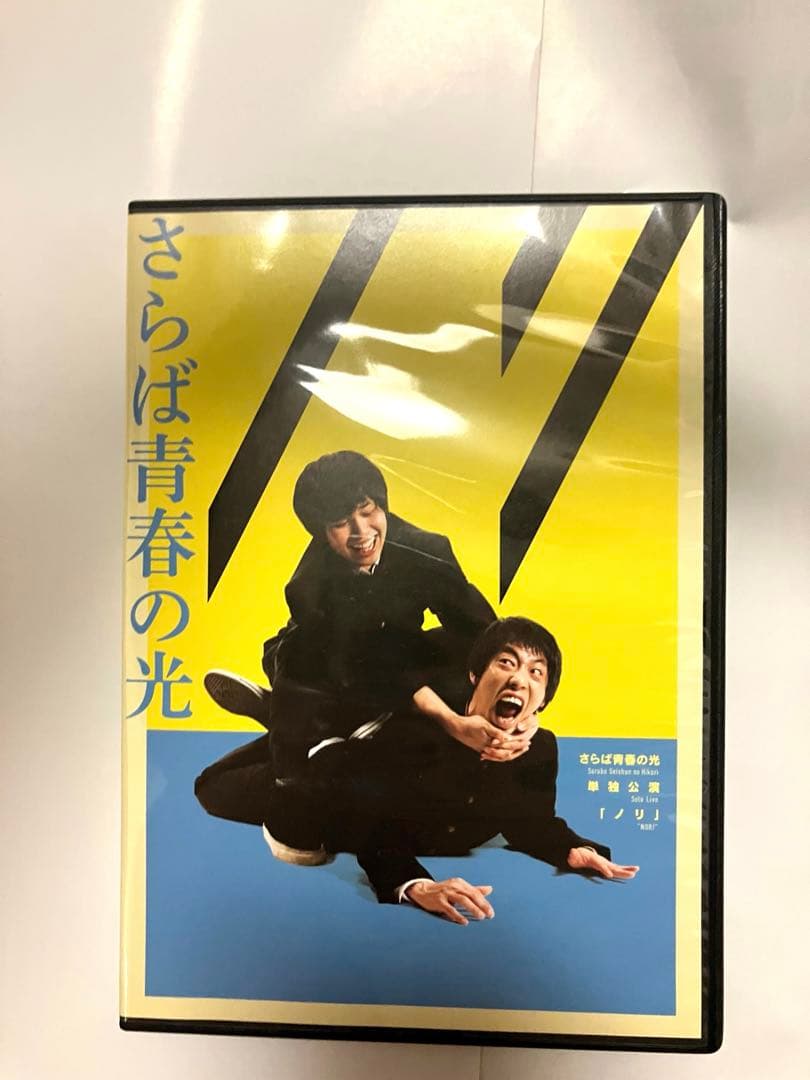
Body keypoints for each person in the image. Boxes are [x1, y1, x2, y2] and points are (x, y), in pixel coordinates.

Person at [196, 451, 530, 831]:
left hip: (401, 652)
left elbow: (487, 633)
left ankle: (306, 719)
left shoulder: (427, 551)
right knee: (215, 784)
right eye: (341, 523)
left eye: (368, 511)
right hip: (325, 664)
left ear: (382, 505)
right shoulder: (308, 588)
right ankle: (303, 716)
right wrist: (294, 771)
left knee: (463, 653)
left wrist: (520, 710)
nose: (361, 532)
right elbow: (353, 663)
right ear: (321, 533)